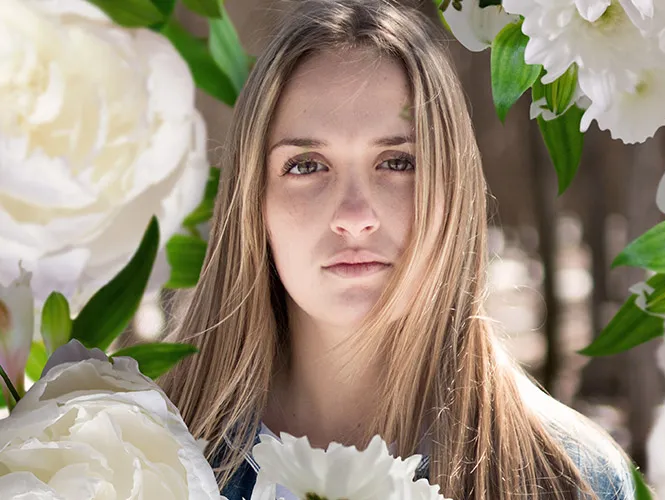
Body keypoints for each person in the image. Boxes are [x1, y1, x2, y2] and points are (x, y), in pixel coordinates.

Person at [160, 1, 636, 498]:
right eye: (305, 165)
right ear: (253, 203)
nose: (353, 216)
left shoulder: (575, 479)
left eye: (397, 162)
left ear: (452, 192)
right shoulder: (136, 458)